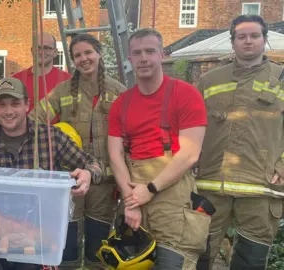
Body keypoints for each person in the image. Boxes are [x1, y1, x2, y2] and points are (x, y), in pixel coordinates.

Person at [0, 77, 103, 270]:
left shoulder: (51, 138)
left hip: (34, 239)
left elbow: (94, 164)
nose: (9, 111)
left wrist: (88, 174)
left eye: (15, 104)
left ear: (27, 105)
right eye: (2, 105)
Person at [107, 28, 209, 269]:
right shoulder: (121, 104)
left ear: (162, 55)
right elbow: (115, 154)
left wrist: (151, 189)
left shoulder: (186, 95)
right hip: (134, 195)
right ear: (129, 59)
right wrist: (131, 201)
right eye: (137, 53)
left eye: (150, 51)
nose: (143, 58)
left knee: (171, 263)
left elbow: (190, 154)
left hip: (172, 200)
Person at [195, 15, 284, 270]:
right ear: (232, 42)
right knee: (198, 254)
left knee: (251, 262)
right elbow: (193, 125)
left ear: (264, 40)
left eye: (254, 36)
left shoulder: (281, 78)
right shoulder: (209, 81)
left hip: (261, 187)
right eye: (241, 37)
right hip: (211, 185)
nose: (248, 42)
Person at [31, 33, 126, 269]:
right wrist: (50, 147)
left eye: (88, 53)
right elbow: (33, 121)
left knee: (98, 244)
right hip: (70, 181)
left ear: (99, 54)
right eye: (77, 55)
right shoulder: (62, 91)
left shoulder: (119, 92)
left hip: (105, 182)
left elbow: (133, 134)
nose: (84, 59)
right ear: (72, 60)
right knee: (68, 243)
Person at [12, 32, 71, 113]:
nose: (42, 52)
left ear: (55, 52)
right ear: (32, 51)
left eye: (47, 48)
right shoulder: (16, 80)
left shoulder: (67, 80)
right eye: (38, 48)